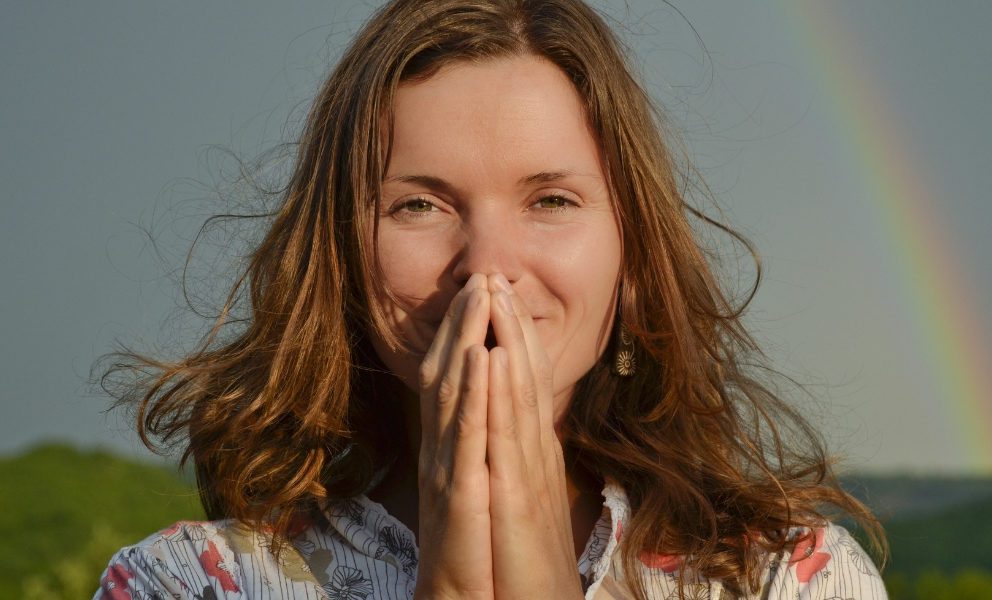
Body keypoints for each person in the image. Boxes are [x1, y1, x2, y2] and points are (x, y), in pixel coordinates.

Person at [96, 0, 887, 598]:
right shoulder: (194, 582)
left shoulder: (788, 578)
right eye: (420, 205)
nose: (489, 268)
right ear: (338, 254)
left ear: (633, 254)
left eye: (551, 200)